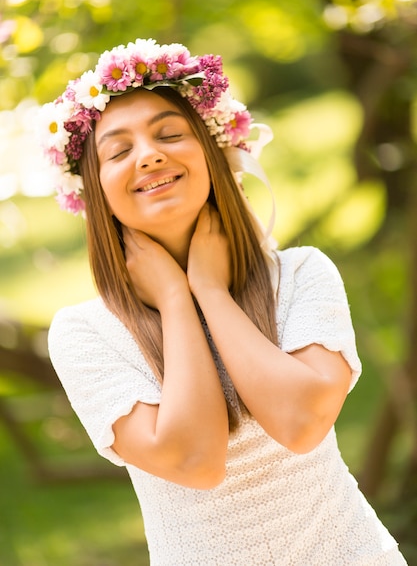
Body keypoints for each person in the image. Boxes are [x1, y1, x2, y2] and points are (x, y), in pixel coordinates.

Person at [39, 38, 407, 565]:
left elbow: (300, 423)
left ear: (214, 153)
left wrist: (210, 291)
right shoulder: (83, 333)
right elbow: (195, 461)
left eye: (170, 134)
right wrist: (174, 298)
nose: (149, 155)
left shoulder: (302, 275)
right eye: (118, 151)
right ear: (95, 191)